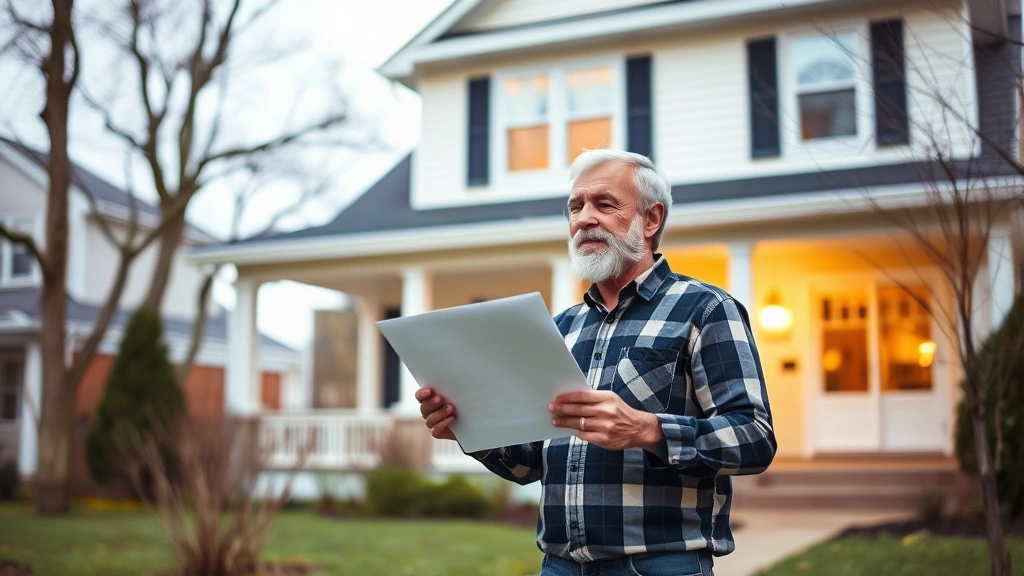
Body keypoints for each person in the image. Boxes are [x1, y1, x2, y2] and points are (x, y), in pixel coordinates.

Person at [416, 149, 776, 576]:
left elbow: (754, 437)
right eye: (575, 207)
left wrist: (647, 429)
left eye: (604, 204)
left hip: (660, 564)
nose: (584, 218)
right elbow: (530, 461)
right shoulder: (558, 328)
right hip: (559, 565)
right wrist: (470, 426)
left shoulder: (706, 309)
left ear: (650, 219)